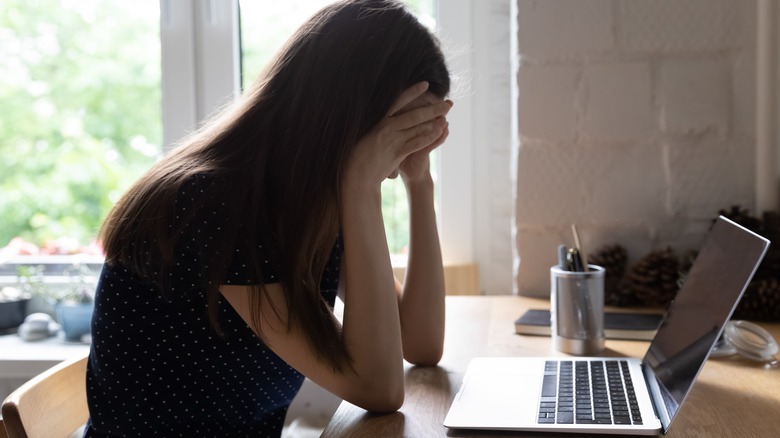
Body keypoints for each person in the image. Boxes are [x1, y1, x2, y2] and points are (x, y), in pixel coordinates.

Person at [83, 0, 452, 436]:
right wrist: (361, 184)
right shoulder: (218, 205)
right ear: (350, 114)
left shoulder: (311, 201)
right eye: (403, 129)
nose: (407, 146)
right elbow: (379, 388)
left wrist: (420, 181)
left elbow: (421, 343)